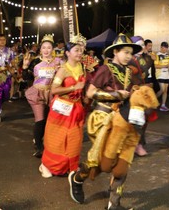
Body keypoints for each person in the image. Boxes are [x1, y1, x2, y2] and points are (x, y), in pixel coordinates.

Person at [67, 34, 143, 208]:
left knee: (122, 162)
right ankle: (77, 178)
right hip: (102, 119)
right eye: (125, 52)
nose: (129, 56)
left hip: (122, 120)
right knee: (100, 162)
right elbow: (90, 92)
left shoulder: (129, 71)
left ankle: (113, 204)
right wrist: (115, 95)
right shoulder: (106, 69)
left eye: (131, 53)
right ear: (115, 52)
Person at [40, 35, 87, 178]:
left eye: (81, 50)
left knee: (74, 139)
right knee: (58, 140)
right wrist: (73, 87)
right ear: (67, 53)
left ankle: (70, 166)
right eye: (76, 50)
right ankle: (46, 165)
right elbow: (54, 90)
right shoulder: (63, 70)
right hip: (61, 110)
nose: (79, 53)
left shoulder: (81, 66)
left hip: (76, 108)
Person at [25, 34, 61, 158]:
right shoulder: (35, 61)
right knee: (40, 119)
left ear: (53, 49)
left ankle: (42, 140)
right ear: (40, 49)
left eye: (49, 47)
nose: (46, 50)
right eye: (44, 47)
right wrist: (25, 67)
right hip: (38, 93)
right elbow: (26, 78)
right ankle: (39, 147)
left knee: (49, 120)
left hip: (52, 94)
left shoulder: (59, 62)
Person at [155, 41, 169, 111]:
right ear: (161, 47)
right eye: (165, 47)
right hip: (160, 74)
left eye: (167, 47)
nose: (166, 49)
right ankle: (153, 100)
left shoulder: (168, 55)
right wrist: (166, 66)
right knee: (162, 89)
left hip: (167, 74)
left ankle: (163, 105)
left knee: (165, 90)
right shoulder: (157, 55)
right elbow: (156, 66)